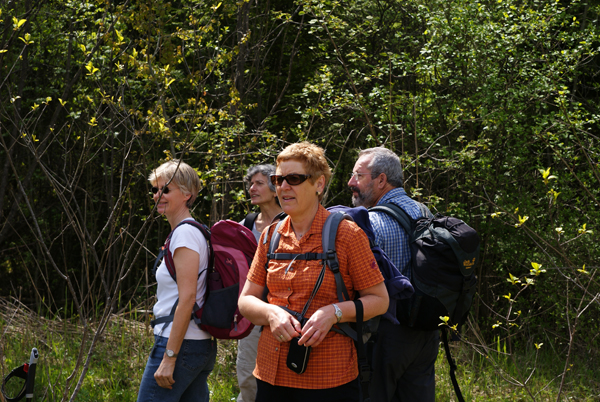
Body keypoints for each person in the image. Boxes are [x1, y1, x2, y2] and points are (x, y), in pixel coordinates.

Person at [238, 142, 389, 402]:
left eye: (294, 178)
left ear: (319, 184)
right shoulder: (270, 236)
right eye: (279, 179)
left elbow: (380, 300)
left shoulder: (346, 234)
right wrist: (271, 312)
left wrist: (333, 312)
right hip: (270, 374)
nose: (284, 186)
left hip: (330, 379)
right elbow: (246, 300)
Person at [348, 147, 439, 402]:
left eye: (358, 175)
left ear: (381, 180)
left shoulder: (370, 222)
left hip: (385, 335)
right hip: (425, 332)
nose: (351, 183)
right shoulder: (425, 213)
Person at [138, 160, 217, 402]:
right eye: (155, 189)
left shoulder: (184, 234)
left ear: (187, 194)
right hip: (196, 345)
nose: (157, 195)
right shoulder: (191, 231)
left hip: (180, 345)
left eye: (165, 189)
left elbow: (188, 298)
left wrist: (169, 356)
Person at [236, 164, 283, 402]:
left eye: (259, 183)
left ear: (276, 189)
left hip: (287, 313)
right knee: (247, 375)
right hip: (253, 315)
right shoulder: (246, 224)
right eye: (250, 184)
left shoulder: (292, 221)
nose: (252, 188)